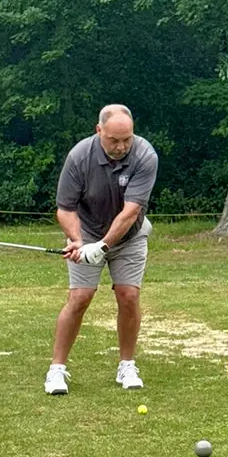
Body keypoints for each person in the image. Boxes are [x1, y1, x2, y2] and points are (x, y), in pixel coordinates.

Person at [44, 104, 158, 395]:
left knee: (129, 295)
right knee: (80, 297)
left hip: (130, 236)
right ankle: (56, 370)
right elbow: (65, 208)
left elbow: (130, 212)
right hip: (87, 232)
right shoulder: (79, 156)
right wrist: (77, 240)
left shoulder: (145, 155)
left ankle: (127, 365)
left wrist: (104, 246)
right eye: (114, 140)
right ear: (99, 131)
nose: (121, 147)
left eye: (127, 139)